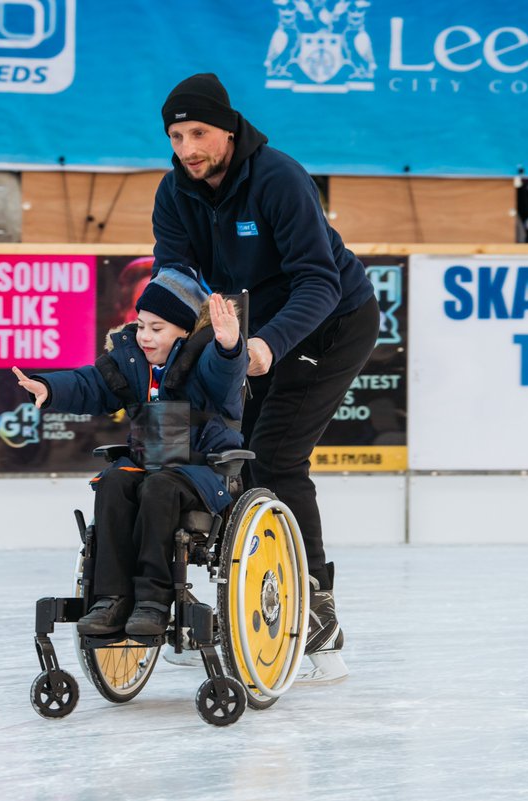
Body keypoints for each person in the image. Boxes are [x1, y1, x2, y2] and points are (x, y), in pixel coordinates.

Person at [152, 72, 379, 676]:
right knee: (230, 456)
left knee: (276, 458)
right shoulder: (174, 194)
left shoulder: (277, 176)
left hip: (331, 323)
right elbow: (176, 279)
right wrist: (151, 334)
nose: (187, 148)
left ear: (227, 129)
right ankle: (236, 598)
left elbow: (319, 280)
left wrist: (267, 345)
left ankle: (319, 615)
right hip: (247, 334)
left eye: (198, 132)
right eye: (176, 136)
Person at [13, 265, 247, 637]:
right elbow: (90, 383)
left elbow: (225, 375)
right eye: (141, 325)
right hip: (148, 459)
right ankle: (111, 599)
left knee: (159, 488)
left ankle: (153, 601)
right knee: (114, 481)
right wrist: (49, 387)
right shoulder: (131, 361)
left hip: (200, 471)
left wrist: (229, 346)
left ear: (185, 331)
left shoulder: (205, 359)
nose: (145, 337)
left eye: (157, 329)